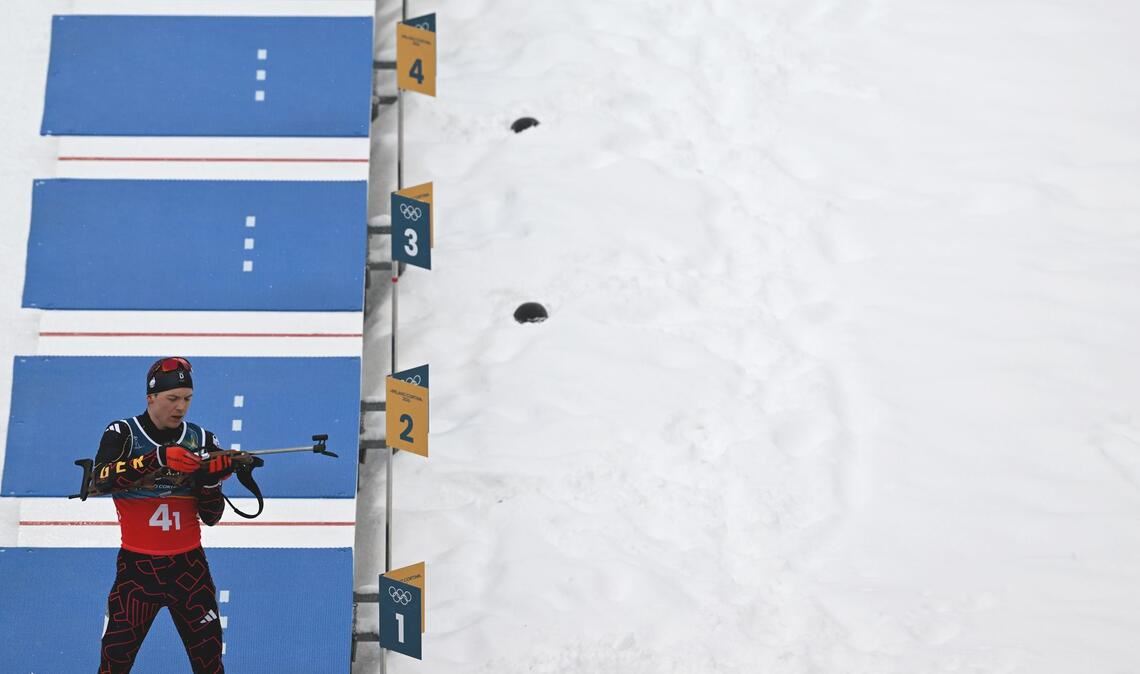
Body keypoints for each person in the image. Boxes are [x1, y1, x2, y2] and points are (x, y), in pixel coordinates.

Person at [92, 356, 235, 674]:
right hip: (137, 571)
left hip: (190, 569)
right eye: (172, 398)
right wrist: (156, 458)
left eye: (187, 398)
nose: (181, 407)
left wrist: (211, 482)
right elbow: (99, 480)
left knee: (209, 661)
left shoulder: (203, 439)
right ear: (151, 397)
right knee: (114, 662)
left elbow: (212, 516)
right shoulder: (123, 433)